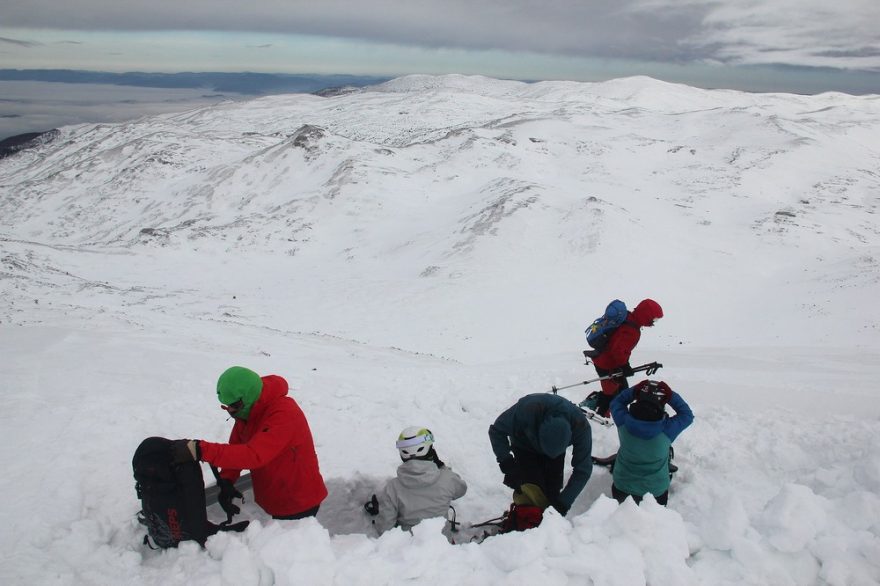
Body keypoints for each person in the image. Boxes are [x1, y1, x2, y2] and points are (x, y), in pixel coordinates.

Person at [172, 366, 328, 520]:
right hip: (276, 493)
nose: (231, 411)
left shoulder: (284, 413)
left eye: (234, 406)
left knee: (290, 544)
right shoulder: (248, 412)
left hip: (299, 499)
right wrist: (227, 480)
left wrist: (201, 450)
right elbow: (236, 447)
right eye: (227, 406)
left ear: (248, 396)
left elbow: (254, 454)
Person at [488, 393, 592, 517]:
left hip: (555, 453)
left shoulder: (580, 427)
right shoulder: (527, 409)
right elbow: (497, 431)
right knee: (531, 489)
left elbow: (583, 470)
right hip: (525, 443)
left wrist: (563, 503)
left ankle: (546, 526)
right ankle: (525, 520)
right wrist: (507, 463)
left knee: (552, 493)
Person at [364, 426, 467, 535]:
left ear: (402, 455)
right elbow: (461, 491)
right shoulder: (449, 478)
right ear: (430, 451)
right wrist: (442, 467)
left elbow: (385, 528)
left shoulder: (392, 488)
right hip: (444, 544)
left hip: (408, 547)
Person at [609, 380, 693, 505]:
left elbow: (616, 402)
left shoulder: (623, 421)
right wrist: (670, 395)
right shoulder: (667, 429)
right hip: (655, 493)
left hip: (621, 488)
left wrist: (634, 390)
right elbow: (687, 415)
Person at [583, 298, 664, 417]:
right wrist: (624, 366)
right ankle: (601, 417)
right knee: (613, 394)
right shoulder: (631, 330)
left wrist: (623, 365)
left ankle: (602, 407)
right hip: (607, 364)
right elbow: (617, 350)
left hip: (607, 361)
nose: (654, 322)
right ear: (647, 315)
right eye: (654, 318)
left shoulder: (628, 318)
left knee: (621, 391)